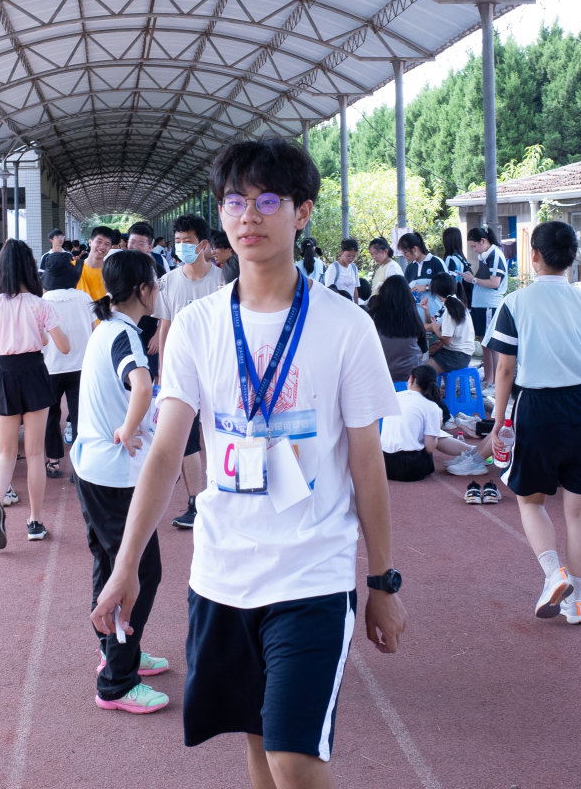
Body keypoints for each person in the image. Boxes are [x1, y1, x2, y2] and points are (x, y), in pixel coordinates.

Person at [91, 136, 405, 788]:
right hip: (223, 573)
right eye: (235, 201)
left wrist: (382, 581)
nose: (248, 216)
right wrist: (125, 565)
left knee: (293, 757)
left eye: (267, 201)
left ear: (302, 212)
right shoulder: (197, 325)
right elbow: (166, 450)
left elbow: (366, 461)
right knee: (258, 745)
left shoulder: (345, 326)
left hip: (312, 573)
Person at [485, 220, 581, 626]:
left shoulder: (515, 303)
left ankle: (553, 574)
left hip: (537, 409)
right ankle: (576, 602)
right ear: (571, 258)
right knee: (579, 513)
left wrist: (498, 421)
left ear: (534, 255)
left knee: (530, 501)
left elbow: (505, 370)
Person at [73, 249, 171, 715]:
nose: (158, 291)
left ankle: (115, 648)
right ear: (142, 290)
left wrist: (126, 426)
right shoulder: (125, 336)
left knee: (110, 564)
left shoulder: (106, 327)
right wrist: (128, 429)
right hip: (114, 475)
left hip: (94, 469)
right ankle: (117, 681)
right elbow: (143, 386)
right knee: (140, 572)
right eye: (155, 283)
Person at [0, 239, 71, 548]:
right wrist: (41, 333)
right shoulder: (39, 304)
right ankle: (35, 522)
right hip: (33, 373)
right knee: (34, 454)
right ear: (29, 268)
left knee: (6, 452)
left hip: (1, 374)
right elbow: (64, 346)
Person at [155, 214, 225, 531]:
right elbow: (165, 327)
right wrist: (162, 371)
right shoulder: (169, 281)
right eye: (178, 241)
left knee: (220, 432)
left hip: (218, 368)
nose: (181, 246)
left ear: (203, 245)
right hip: (182, 372)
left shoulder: (222, 280)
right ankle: (195, 502)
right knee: (186, 438)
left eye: (188, 241)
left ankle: (223, 495)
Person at [43, 258, 97, 479]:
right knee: (80, 417)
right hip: (82, 366)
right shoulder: (84, 298)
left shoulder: (43, 301)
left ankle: (54, 461)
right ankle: (78, 466)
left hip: (50, 366)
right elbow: (94, 329)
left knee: (50, 416)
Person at [380, 365, 443, 482]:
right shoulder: (431, 406)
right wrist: (437, 428)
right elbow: (430, 447)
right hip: (411, 468)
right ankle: (470, 452)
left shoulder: (394, 397)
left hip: (384, 465)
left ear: (411, 379)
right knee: (429, 441)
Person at [463, 227, 509, 386]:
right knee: (485, 344)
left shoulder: (495, 255)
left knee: (492, 345)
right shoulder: (486, 256)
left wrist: (473, 280)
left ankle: (495, 382)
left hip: (489, 305)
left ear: (483, 241)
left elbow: (495, 283)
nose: (474, 250)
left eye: (474, 246)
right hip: (481, 305)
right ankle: (489, 379)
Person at [128, 222, 169, 371]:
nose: (134, 247)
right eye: (132, 242)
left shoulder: (158, 270)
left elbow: (166, 305)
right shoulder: (119, 267)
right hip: (126, 328)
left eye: (140, 243)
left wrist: (158, 335)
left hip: (150, 330)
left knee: (153, 370)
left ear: (149, 247)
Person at [369, 273, 424, 382]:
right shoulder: (414, 317)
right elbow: (423, 350)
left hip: (380, 375)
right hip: (410, 376)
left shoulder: (373, 316)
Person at [423, 272, 475, 375]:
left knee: (425, 370)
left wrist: (437, 331)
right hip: (461, 353)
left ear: (437, 291)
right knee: (430, 357)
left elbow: (446, 341)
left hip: (457, 355)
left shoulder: (450, 309)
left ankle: (439, 385)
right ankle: (445, 385)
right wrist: (440, 342)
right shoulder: (454, 303)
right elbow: (433, 323)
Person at [78, 227, 117, 301]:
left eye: (107, 244)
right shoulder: (72, 267)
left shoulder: (112, 272)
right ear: (90, 242)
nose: (102, 247)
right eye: (99, 242)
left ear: (110, 247)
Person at [323, 238, 360, 302]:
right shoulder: (333, 268)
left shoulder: (353, 267)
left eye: (354, 256)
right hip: (337, 304)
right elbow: (329, 290)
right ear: (341, 252)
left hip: (350, 304)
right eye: (348, 255)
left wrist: (356, 305)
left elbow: (355, 289)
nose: (351, 258)